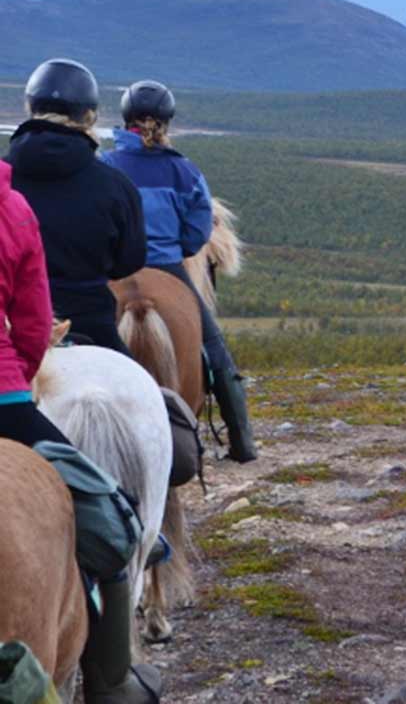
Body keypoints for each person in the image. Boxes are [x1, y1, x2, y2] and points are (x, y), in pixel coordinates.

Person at [0, 156, 162, 704]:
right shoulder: (12, 208)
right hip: (3, 395)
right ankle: (113, 682)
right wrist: (18, 382)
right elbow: (31, 323)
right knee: (109, 514)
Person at [104, 80, 257, 464]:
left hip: (115, 269)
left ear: (126, 121)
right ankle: (242, 441)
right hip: (171, 267)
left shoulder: (105, 166)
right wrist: (178, 250)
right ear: (166, 122)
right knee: (215, 350)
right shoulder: (185, 172)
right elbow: (197, 231)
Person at [6, 59, 146, 355]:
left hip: (10, 326)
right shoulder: (116, 186)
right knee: (153, 395)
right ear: (89, 116)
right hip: (92, 322)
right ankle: (227, 391)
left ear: (30, 107)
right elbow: (130, 260)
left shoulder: (3, 178)